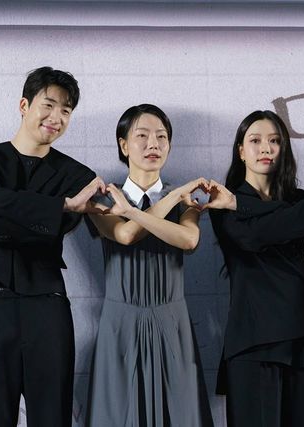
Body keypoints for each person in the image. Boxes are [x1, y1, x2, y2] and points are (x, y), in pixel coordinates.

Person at [0, 66, 106, 427]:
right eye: (49, 105)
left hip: (49, 308)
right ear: (24, 105)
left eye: (66, 111)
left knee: (53, 418)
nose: (56, 117)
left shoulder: (79, 175)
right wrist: (61, 206)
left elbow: (26, 220)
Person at [84, 104, 213, 426]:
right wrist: (170, 198)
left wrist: (171, 198)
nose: (153, 144)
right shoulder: (102, 198)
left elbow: (189, 240)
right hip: (120, 323)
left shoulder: (185, 200)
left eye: (162, 136)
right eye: (142, 135)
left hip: (172, 321)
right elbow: (125, 235)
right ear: (124, 144)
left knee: (180, 416)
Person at [205, 110, 304, 427]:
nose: (266, 148)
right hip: (253, 341)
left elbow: (283, 222)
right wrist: (237, 203)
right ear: (241, 150)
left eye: (275, 141)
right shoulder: (222, 202)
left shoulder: (299, 200)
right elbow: (254, 236)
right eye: (255, 140)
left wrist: (241, 205)